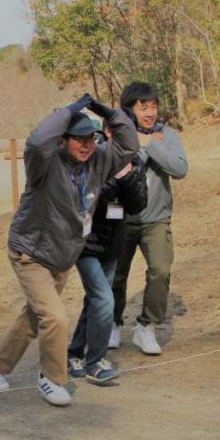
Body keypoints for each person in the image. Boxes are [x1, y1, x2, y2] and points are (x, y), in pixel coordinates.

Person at [0, 94, 137, 407]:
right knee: (55, 317)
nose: (86, 145)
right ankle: (51, 378)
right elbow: (38, 141)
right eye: (78, 139)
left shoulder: (98, 161)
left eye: (90, 138)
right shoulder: (45, 162)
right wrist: (68, 110)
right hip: (31, 253)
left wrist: (107, 112)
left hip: (62, 256)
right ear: (63, 140)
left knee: (36, 317)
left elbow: (129, 144)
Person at [109, 82, 188, 356]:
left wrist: (151, 145)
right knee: (115, 276)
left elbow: (179, 168)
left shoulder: (167, 135)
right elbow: (110, 167)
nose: (150, 112)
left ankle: (147, 327)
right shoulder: (116, 135)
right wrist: (136, 142)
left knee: (161, 270)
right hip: (120, 218)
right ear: (129, 109)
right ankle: (113, 322)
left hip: (156, 218)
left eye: (153, 106)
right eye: (143, 107)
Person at [67, 152, 147, 384]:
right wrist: (115, 178)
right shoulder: (92, 159)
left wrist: (127, 176)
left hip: (112, 244)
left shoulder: (135, 162)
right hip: (85, 243)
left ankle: (74, 353)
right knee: (104, 299)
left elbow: (137, 204)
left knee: (95, 299)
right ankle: (95, 362)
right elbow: (92, 198)